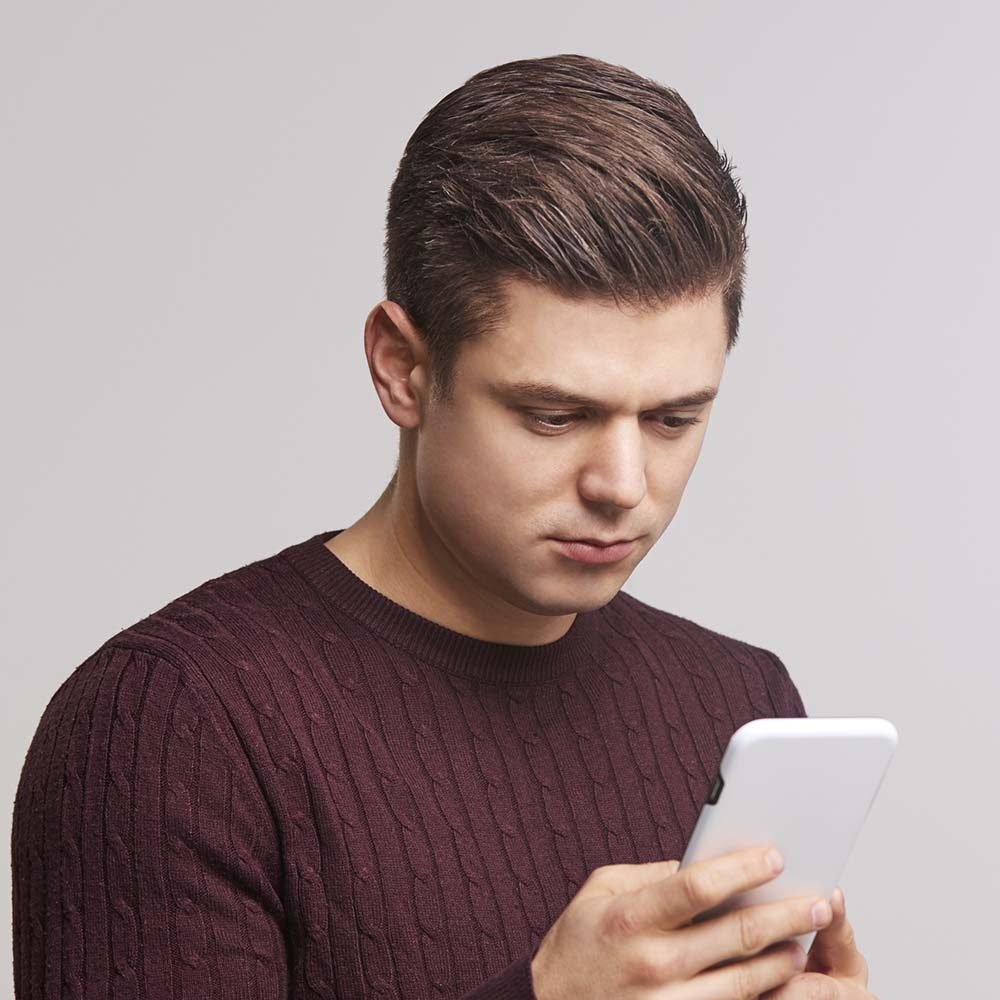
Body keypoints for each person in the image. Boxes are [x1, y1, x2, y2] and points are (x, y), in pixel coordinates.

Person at [11, 53, 875, 999]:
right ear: (402, 369)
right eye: (553, 415)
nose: (624, 485)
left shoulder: (739, 701)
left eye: (674, 419)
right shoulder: (172, 728)